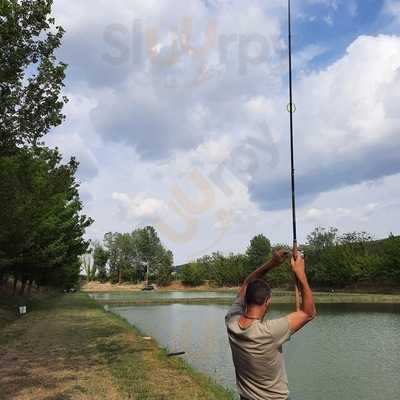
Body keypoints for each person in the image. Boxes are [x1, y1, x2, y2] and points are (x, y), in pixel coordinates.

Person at [225, 249, 316, 400]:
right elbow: (309, 313)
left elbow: (247, 284)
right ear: (267, 302)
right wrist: (300, 273)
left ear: (245, 300)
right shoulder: (270, 332)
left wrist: (272, 263)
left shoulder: (231, 321)